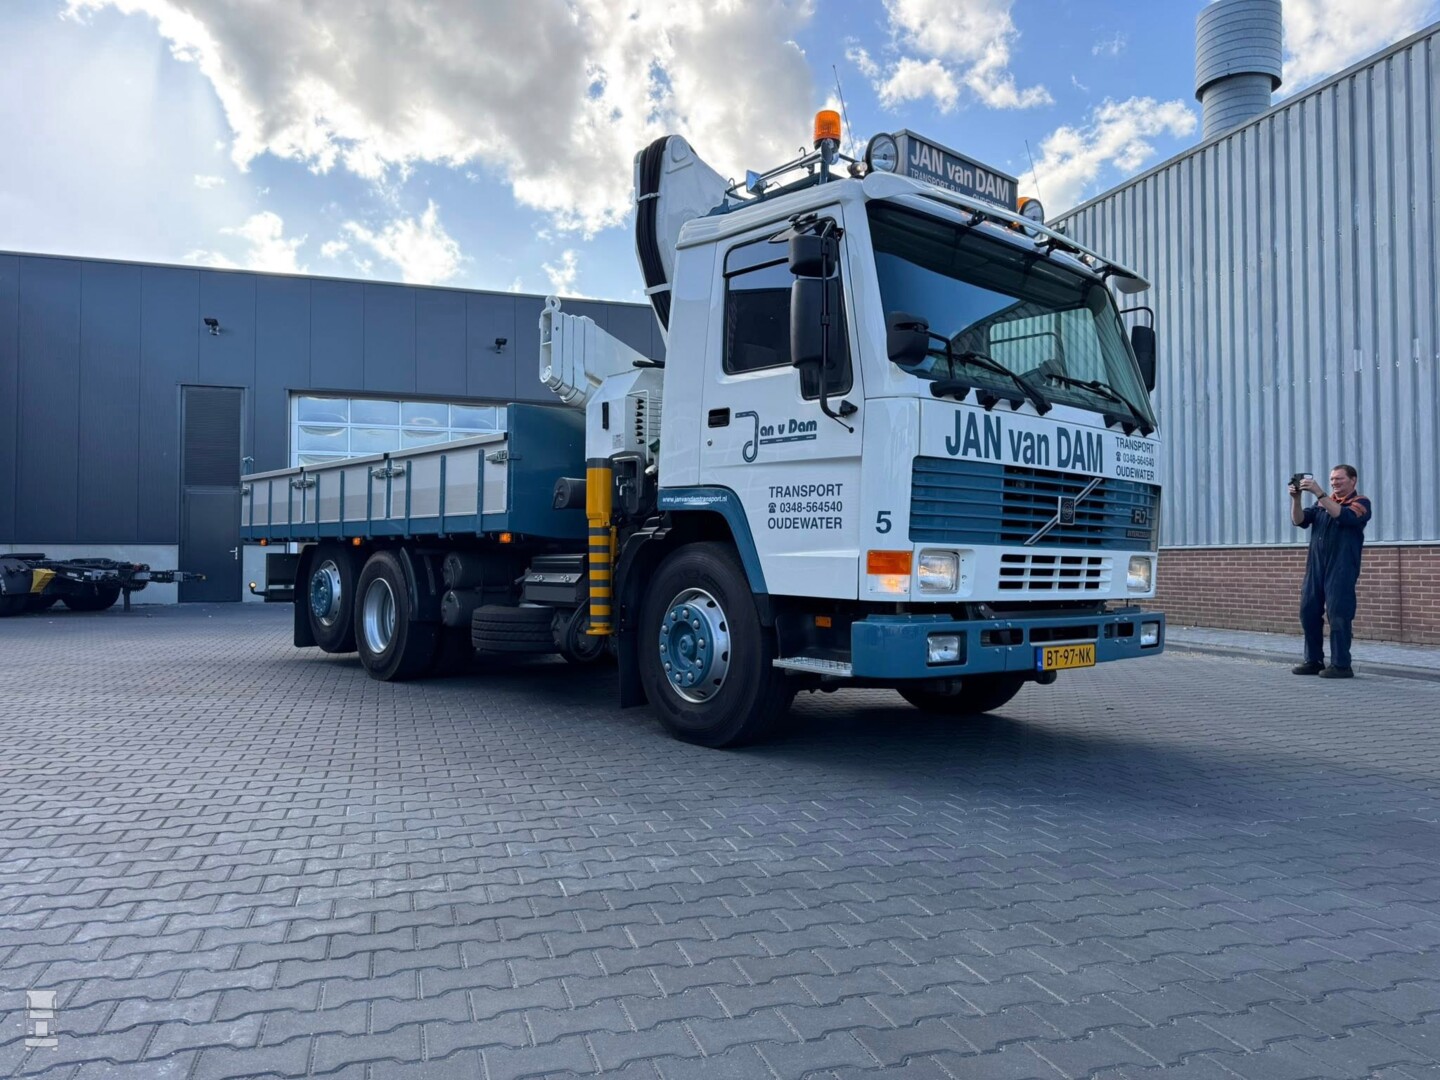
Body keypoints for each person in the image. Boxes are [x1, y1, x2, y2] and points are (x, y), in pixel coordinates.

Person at [1289, 464, 1372, 678]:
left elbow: (1344, 517)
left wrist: (1319, 492)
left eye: (1339, 479)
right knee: (1308, 611)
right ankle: (1313, 660)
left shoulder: (1360, 502)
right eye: (1332, 479)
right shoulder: (1321, 504)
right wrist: (1296, 499)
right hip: (1316, 566)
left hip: (1342, 568)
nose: (1334, 482)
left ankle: (1341, 665)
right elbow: (1299, 520)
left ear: (1353, 480)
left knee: (1338, 614)